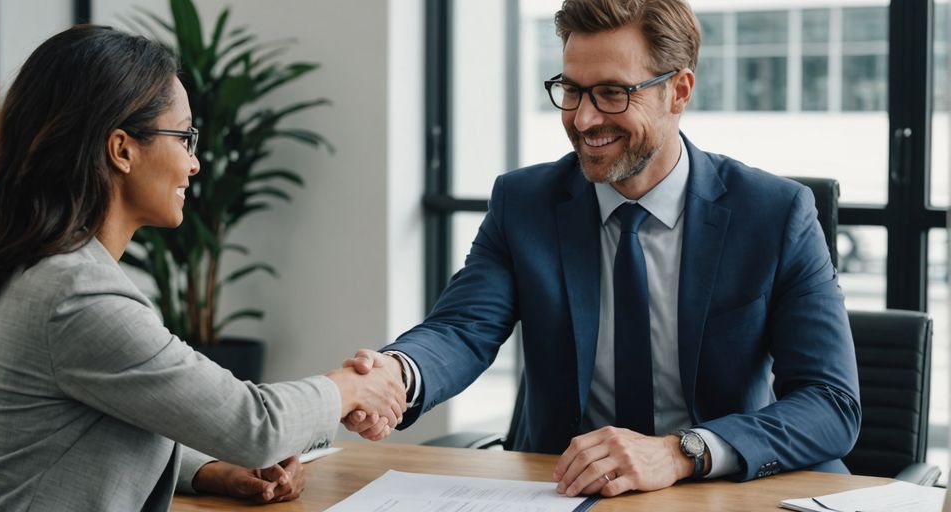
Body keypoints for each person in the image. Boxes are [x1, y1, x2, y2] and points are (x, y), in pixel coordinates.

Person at [343, 0, 861, 498]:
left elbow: (829, 402)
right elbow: (462, 329)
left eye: (612, 93)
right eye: (572, 90)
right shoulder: (524, 203)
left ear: (678, 91)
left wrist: (683, 452)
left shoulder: (774, 214)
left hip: (719, 490)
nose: (584, 119)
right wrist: (395, 376)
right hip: (563, 490)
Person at [0, 25, 405, 511]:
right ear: (121, 149)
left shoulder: (54, 271)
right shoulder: (75, 295)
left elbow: (108, 420)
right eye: (184, 137)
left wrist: (210, 470)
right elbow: (254, 424)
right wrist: (356, 385)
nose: (195, 164)